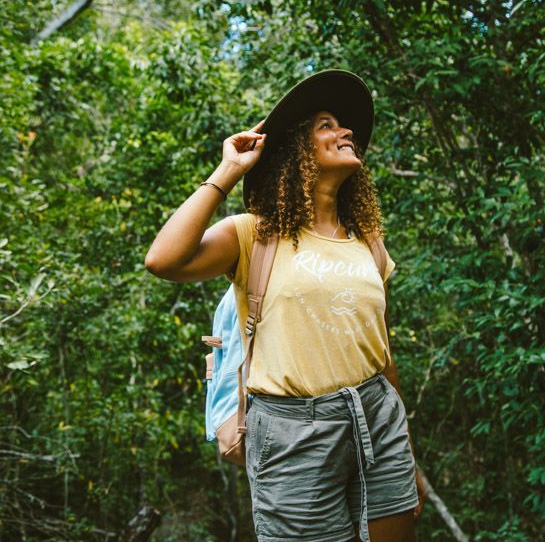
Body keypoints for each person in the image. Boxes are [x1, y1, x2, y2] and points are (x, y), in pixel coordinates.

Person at [144, 70, 426, 542]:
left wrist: (409, 456)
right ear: (297, 150)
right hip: (294, 431)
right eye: (326, 124)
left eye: (344, 125)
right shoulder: (253, 234)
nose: (345, 131)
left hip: (378, 417)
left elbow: (382, 351)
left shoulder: (368, 242)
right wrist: (228, 171)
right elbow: (163, 260)